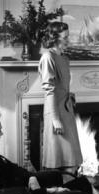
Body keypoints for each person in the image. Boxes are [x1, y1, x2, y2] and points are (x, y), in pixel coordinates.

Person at [38, 22, 82, 173]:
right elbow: (49, 91)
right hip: (55, 112)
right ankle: (62, 193)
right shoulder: (47, 57)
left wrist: (70, 95)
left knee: (72, 161)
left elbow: (62, 86)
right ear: (55, 38)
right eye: (65, 37)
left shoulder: (64, 58)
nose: (68, 40)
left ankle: (68, 193)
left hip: (66, 109)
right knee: (61, 160)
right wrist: (55, 120)